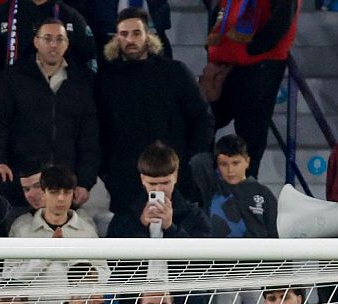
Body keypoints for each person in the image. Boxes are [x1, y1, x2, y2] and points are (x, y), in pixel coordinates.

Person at [95, 8, 212, 217]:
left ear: (148, 35)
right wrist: (106, 170)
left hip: (174, 177)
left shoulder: (175, 72)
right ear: (116, 38)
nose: (130, 39)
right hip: (125, 180)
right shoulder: (105, 80)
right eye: (123, 34)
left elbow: (200, 117)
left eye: (136, 33)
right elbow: (98, 128)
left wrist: (190, 159)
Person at [0, 19, 101, 212]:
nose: (54, 44)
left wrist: (85, 182)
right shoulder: (12, 78)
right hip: (19, 186)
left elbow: (89, 138)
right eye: (48, 38)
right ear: (36, 42)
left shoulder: (81, 83)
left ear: (67, 43)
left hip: (64, 189)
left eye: (60, 39)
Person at [205, 0, 298, 179]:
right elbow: (219, 9)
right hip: (225, 60)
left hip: (259, 65)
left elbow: (281, 20)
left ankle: (247, 194)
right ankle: (204, 184)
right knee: (203, 121)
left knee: (250, 133)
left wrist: (252, 49)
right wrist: (213, 47)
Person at [0, 0, 97, 101]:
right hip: (10, 113)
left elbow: (87, 69)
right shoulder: (0, 17)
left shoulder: (71, 19)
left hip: (61, 113)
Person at [107, 142, 212, 238]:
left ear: (175, 177)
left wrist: (171, 228)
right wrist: (141, 226)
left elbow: (203, 255)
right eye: (152, 183)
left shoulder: (195, 216)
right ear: (143, 179)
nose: (158, 189)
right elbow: (112, 254)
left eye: (165, 183)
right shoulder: (125, 216)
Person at [8, 164, 98, 237]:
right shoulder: (21, 228)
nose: (61, 198)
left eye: (67, 192)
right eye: (54, 192)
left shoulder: (87, 231)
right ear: (43, 193)